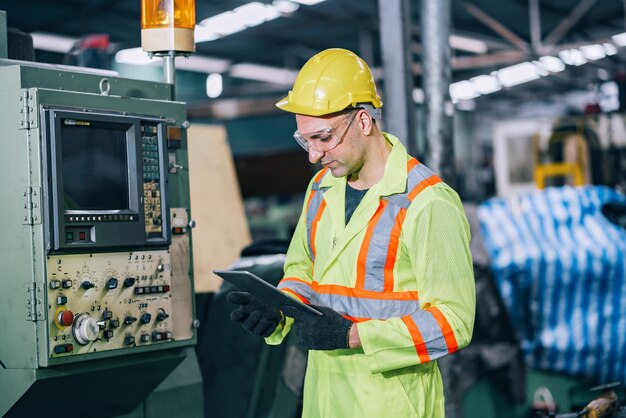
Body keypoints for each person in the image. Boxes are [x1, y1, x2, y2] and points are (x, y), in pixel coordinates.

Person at [227, 48, 475, 418]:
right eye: (305, 140)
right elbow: (302, 273)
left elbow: (453, 322)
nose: (313, 155)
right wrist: (277, 309)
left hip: (391, 404)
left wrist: (352, 336)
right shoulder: (321, 189)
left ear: (362, 121)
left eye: (324, 138)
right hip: (325, 399)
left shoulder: (426, 202)